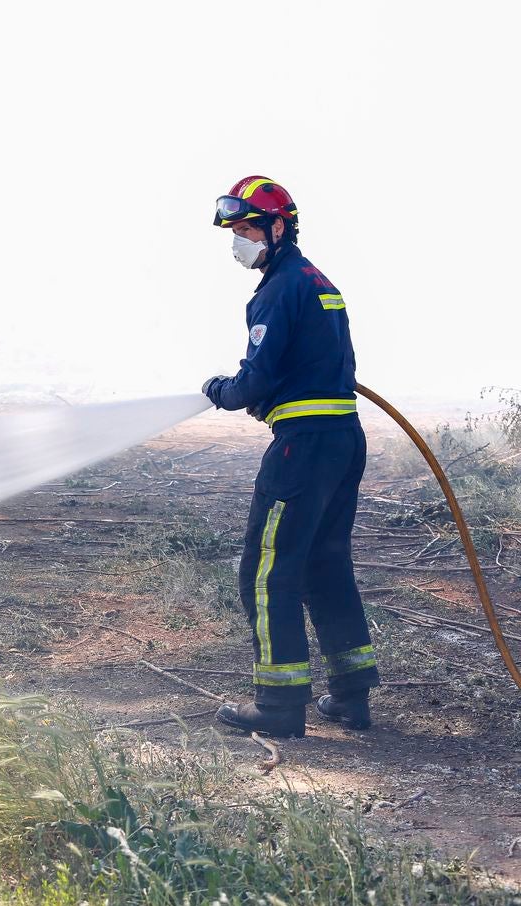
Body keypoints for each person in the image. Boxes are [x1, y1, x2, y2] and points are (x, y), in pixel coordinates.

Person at [201, 176, 380, 738]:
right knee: (325, 564)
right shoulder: (315, 279)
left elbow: (253, 381)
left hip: (301, 448)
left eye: (249, 227)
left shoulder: (278, 289)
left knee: (267, 569)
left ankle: (278, 706)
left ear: (280, 227)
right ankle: (352, 696)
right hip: (342, 439)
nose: (240, 240)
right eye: (235, 230)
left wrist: (221, 390)